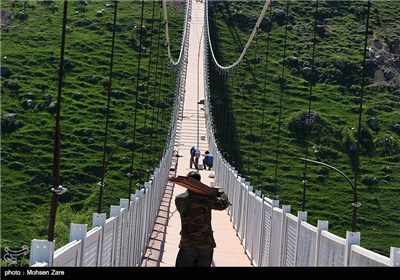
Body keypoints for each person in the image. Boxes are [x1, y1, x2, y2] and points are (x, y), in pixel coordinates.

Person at [175, 171, 230, 267]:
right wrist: (219, 191)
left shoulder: (180, 199)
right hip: (206, 244)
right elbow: (223, 204)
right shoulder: (207, 199)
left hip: (188, 243)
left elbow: (186, 199)